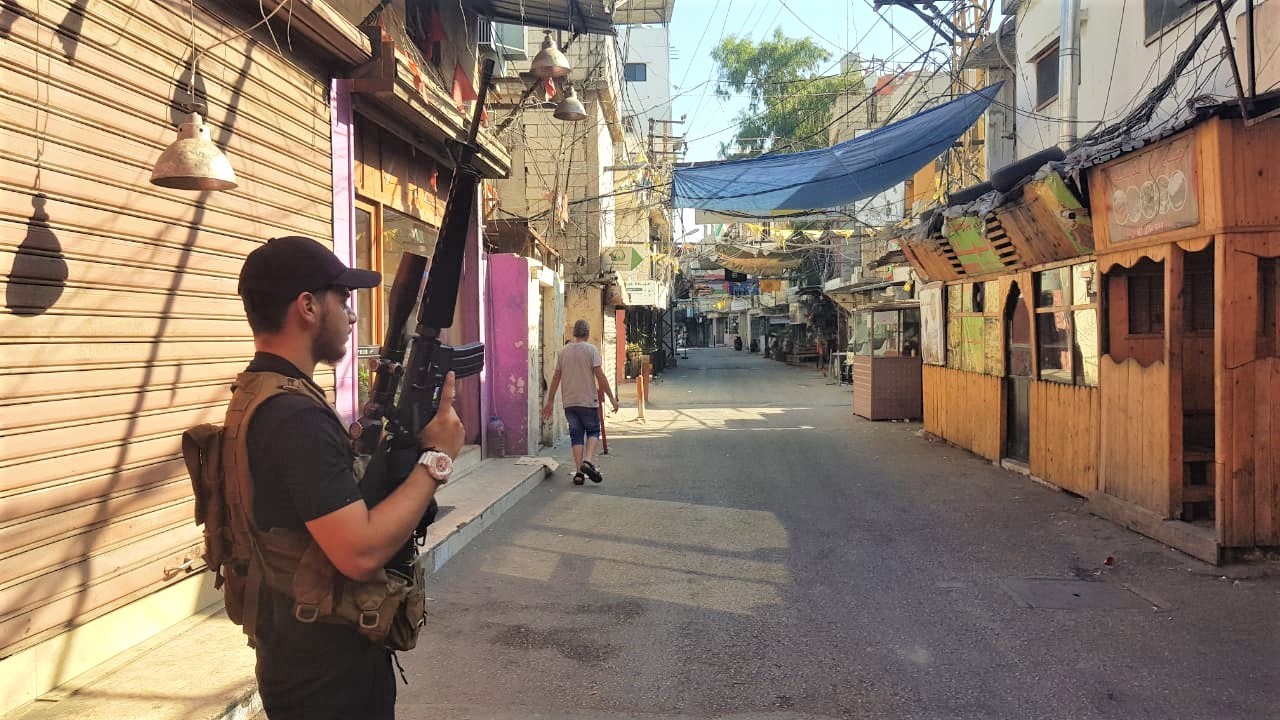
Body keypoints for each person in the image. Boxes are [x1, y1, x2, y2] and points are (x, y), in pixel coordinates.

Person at [232, 236, 465, 720]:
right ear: (307, 306)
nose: (352, 315)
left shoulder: (262, 391)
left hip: (301, 651)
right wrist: (437, 459)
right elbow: (359, 552)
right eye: (343, 299)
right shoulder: (294, 417)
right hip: (327, 676)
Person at [541, 319, 619, 485]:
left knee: (576, 435)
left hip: (569, 402)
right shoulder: (591, 350)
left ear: (574, 333)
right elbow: (600, 376)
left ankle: (578, 473)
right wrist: (612, 398)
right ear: (587, 334)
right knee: (593, 430)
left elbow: (556, 377)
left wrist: (550, 401)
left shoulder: (563, 352)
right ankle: (588, 461)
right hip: (587, 400)